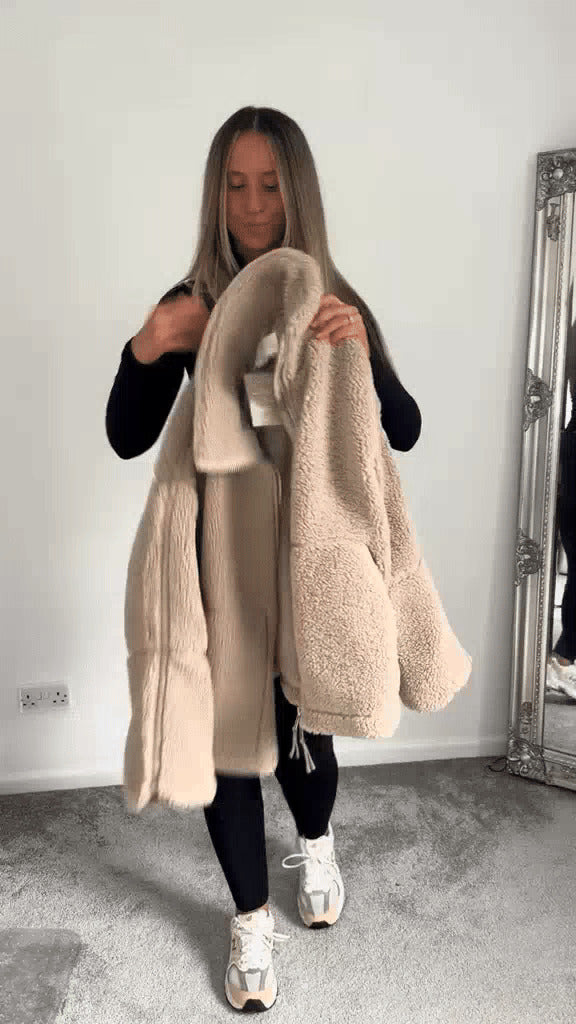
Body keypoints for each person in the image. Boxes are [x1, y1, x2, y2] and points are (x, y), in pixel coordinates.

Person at [106, 106, 422, 1013]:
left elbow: (403, 429)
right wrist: (149, 345)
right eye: (235, 185)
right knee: (228, 741)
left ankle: (316, 845)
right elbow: (127, 436)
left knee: (304, 728)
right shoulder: (193, 300)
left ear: (298, 191)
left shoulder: (329, 296)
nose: (251, 205)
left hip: (314, 554)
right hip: (219, 560)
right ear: (216, 193)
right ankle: (249, 919)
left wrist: (363, 351)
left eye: (270, 185)